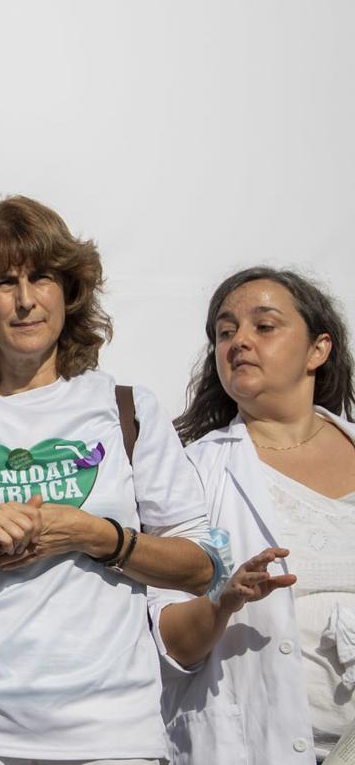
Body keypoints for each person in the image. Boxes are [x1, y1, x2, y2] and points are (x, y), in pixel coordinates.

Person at [0, 195, 219, 765]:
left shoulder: (127, 409)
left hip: (108, 730)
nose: (26, 300)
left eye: (42, 277)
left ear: (70, 292)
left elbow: (201, 565)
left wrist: (98, 536)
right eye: (4, 282)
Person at [155, 267, 355, 763]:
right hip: (258, 746)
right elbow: (169, 641)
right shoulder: (191, 471)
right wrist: (221, 603)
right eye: (226, 332)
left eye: (263, 326)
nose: (240, 341)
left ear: (318, 350)